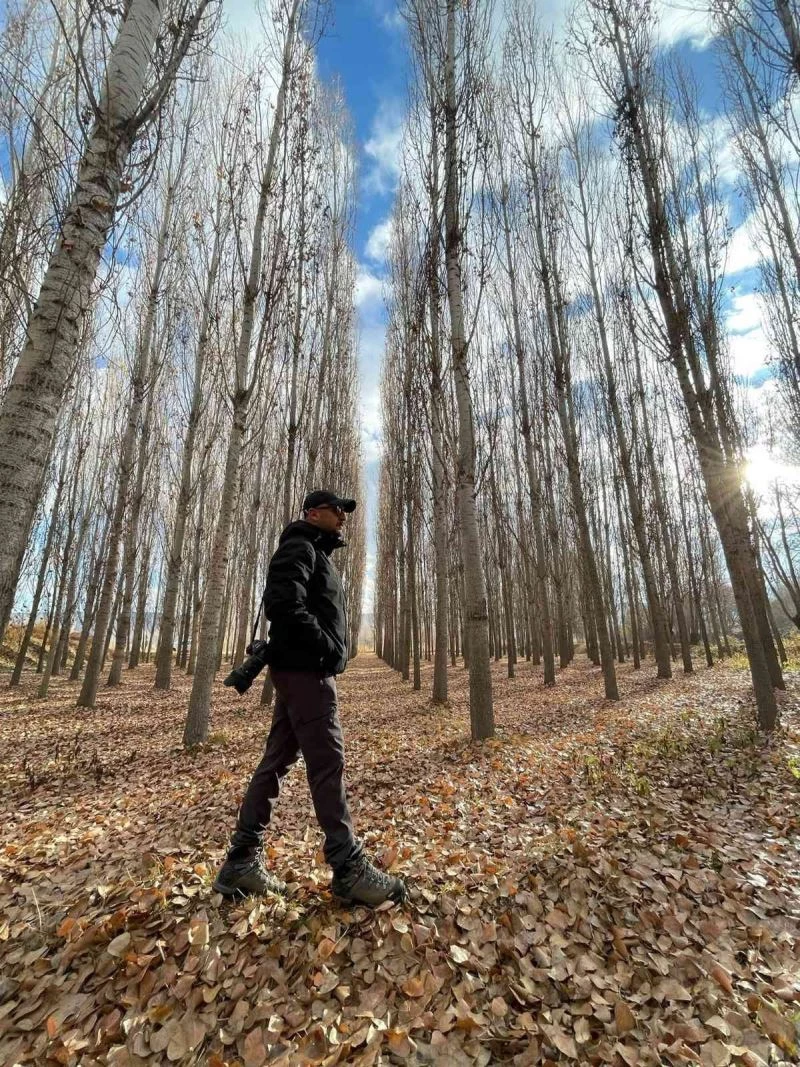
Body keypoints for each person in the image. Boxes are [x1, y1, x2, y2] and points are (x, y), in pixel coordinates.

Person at [213, 489, 407, 907]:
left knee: (277, 761)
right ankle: (349, 868)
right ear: (313, 513)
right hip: (306, 672)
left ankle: (240, 862)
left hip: (300, 670)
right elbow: (283, 606)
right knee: (327, 762)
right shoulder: (299, 547)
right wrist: (327, 647)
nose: (343, 516)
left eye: (345, 511)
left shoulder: (314, 551)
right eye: (337, 509)